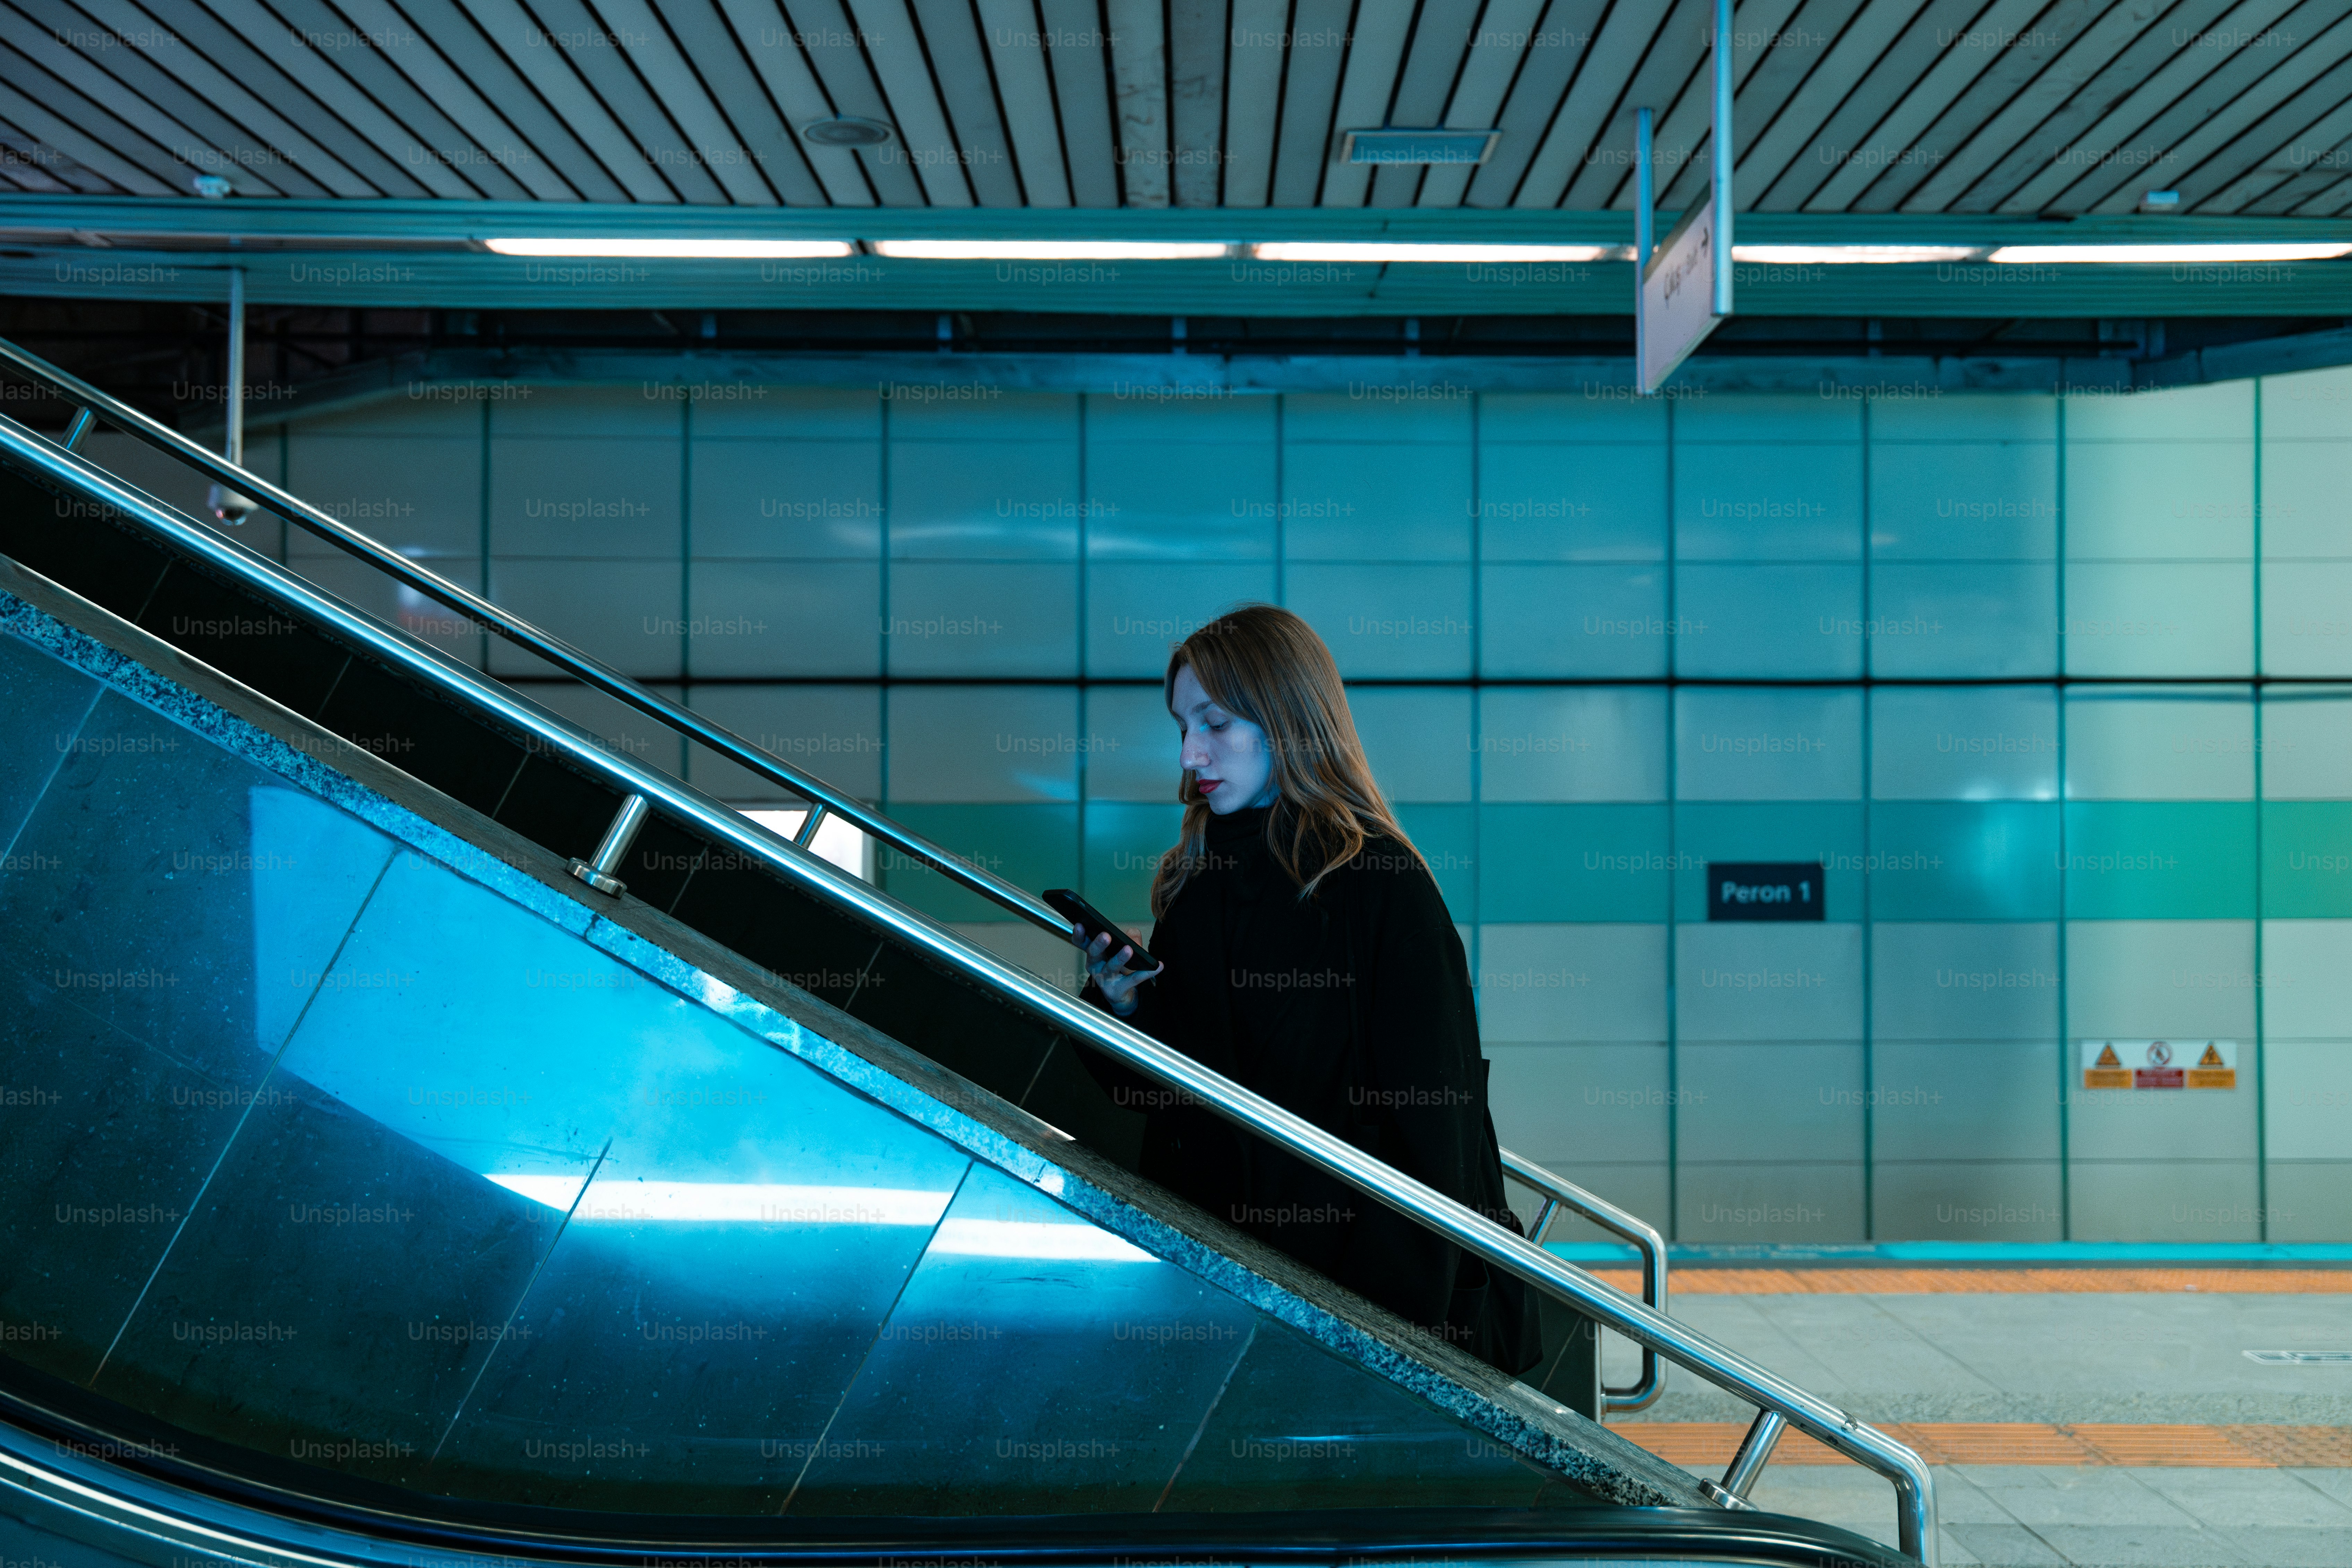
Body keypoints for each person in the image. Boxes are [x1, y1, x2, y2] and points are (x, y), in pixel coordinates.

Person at [1076, 604, 1541, 1376]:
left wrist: (1392, 1330)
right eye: (1183, 725)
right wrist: (1127, 1007)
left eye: (1216, 723)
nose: (1191, 752)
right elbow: (1176, 1094)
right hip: (1219, 1275)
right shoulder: (1198, 880)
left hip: (1354, 1296)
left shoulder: (1377, 886)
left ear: (1288, 722)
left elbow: (1435, 1115)